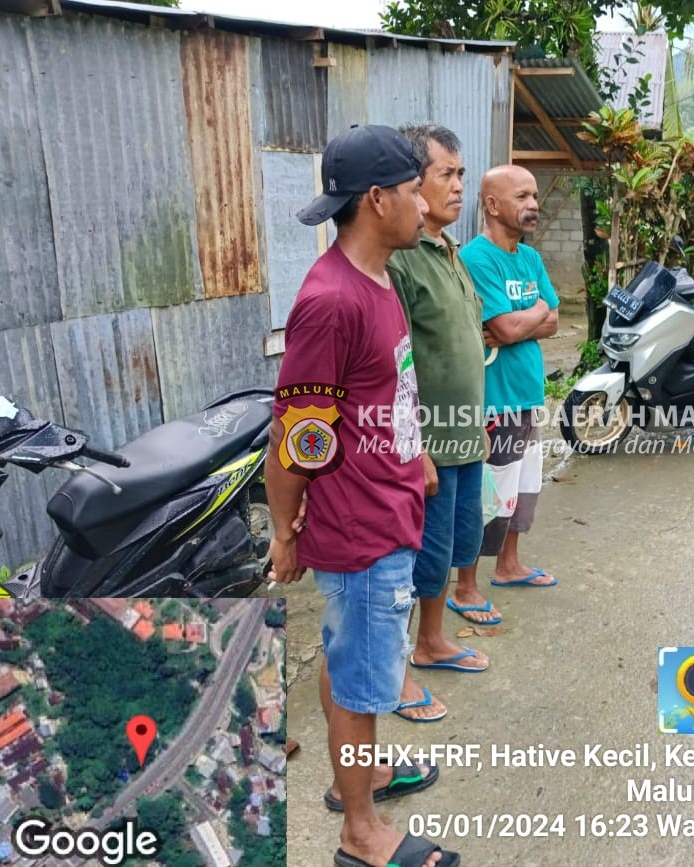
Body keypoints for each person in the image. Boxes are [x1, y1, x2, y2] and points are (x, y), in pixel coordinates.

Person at [265, 125, 458, 867]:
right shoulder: (332, 301)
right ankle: (361, 831)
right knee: (362, 681)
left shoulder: (380, 281)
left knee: (353, 657)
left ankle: (364, 776)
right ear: (377, 200)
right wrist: (286, 531)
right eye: (413, 189)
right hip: (361, 528)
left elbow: (383, 393)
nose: (423, 202)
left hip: (390, 500)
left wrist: (417, 457)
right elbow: (301, 437)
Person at [381, 123, 490, 726]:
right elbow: (391, 364)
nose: (458, 185)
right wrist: (415, 445)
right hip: (426, 444)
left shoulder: (450, 250)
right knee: (412, 558)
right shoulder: (401, 262)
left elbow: (465, 342)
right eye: (446, 173)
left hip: (465, 434)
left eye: (460, 173)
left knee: (449, 548)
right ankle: (396, 666)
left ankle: (432, 641)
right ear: (411, 182)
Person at [456, 165, 560, 612]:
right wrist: (531, 314)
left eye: (534, 196)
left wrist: (527, 320)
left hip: (527, 395)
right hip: (494, 398)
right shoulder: (478, 259)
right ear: (493, 204)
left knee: (523, 488)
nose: (533, 205)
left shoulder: (530, 259)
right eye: (522, 197)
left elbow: (551, 322)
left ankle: (509, 565)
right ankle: (465, 586)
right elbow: (502, 325)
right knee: (487, 496)